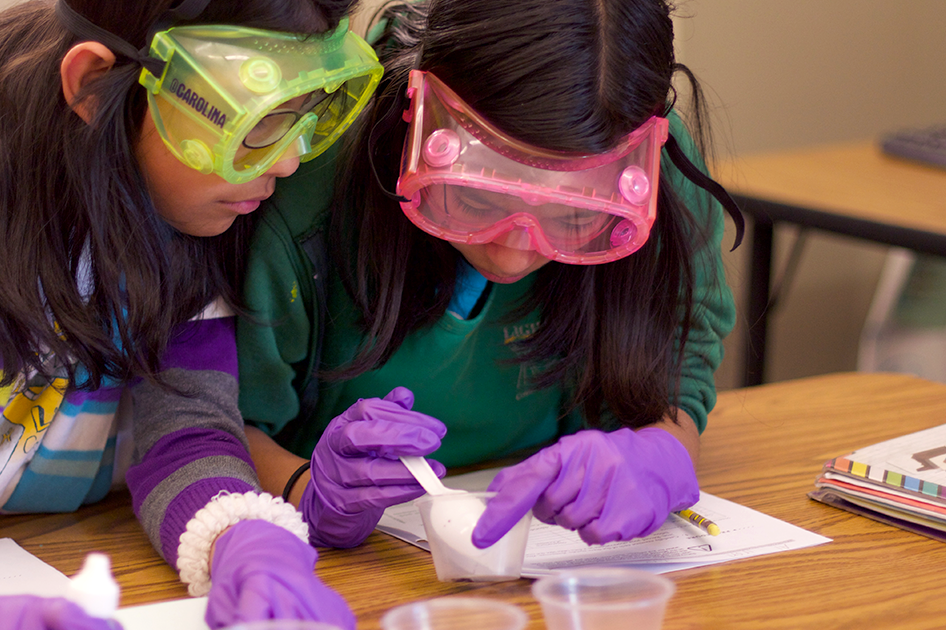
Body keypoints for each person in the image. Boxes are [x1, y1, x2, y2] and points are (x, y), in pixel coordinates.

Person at [0, 0, 382, 628]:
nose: (287, 161)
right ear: (93, 85)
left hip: (14, 544)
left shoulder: (190, 197)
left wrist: (243, 538)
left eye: (299, 118)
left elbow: (186, 430)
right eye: (254, 121)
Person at [236, 0, 744, 552]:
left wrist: (664, 450)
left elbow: (674, 383)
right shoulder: (307, 176)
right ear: (422, 113)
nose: (512, 253)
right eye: (477, 193)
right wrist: (304, 487)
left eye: (573, 212)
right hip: (340, 559)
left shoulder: (651, 183)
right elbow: (212, 417)